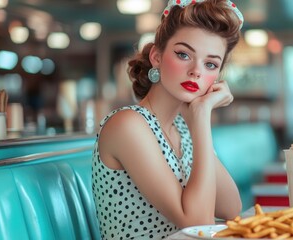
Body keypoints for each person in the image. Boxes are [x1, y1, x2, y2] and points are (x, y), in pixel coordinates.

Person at [92, 0, 243, 239]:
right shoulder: (128, 125)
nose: (196, 71)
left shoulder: (182, 127)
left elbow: (231, 208)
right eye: (183, 54)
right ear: (156, 56)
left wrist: (196, 120)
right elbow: (199, 225)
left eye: (210, 64)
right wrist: (202, 117)